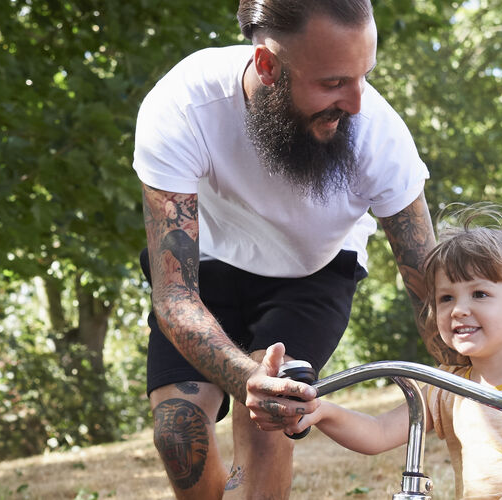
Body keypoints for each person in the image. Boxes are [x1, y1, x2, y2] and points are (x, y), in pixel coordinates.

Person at [133, 0, 461, 497]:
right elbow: (175, 296)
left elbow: (427, 282)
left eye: (364, 76)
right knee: (177, 432)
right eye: (332, 83)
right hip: (207, 267)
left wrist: (477, 380)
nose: (356, 101)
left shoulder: (379, 134)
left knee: (269, 424)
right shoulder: (183, 105)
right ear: (268, 66)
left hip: (313, 271)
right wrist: (247, 378)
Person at [291, 205, 502, 500]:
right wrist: (323, 412)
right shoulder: (446, 387)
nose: (458, 310)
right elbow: (378, 433)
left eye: (480, 294)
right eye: (445, 298)